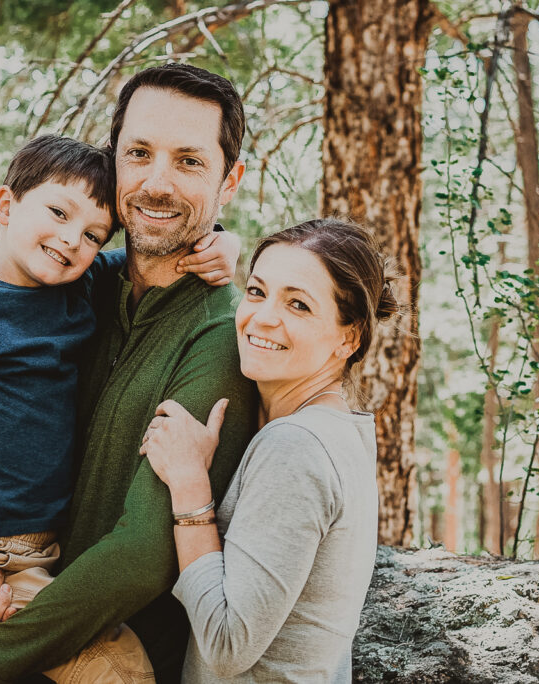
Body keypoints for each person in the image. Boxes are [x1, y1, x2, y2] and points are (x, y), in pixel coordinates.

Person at [0, 64, 261, 684]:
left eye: (189, 162)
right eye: (139, 153)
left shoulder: (222, 334)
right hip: (10, 590)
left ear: (230, 180)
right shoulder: (82, 284)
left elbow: (144, 555)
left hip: (116, 652)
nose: (156, 182)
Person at [140, 218, 395, 682]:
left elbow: (226, 644)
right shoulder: (340, 432)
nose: (262, 317)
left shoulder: (296, 446)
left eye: (298, 304)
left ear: (349, 337)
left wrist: (190, 486)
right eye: (256, 292)